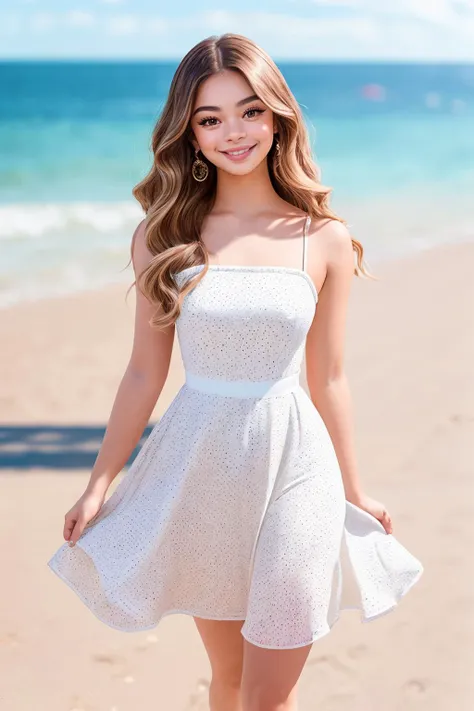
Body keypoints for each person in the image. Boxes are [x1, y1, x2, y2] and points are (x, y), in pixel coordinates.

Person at [48, 33, 423, 711]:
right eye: (210, 118)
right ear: (189, 134)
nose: (234, 132)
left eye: (250, 111)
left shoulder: (323, 237)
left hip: (297, 466)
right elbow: (143, 372)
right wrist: (100, 483)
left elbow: (330, 376)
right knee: (228, 682)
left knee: (267, 694)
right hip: (203, 466)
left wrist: (357, 490)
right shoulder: (164, 239)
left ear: (278, 115)